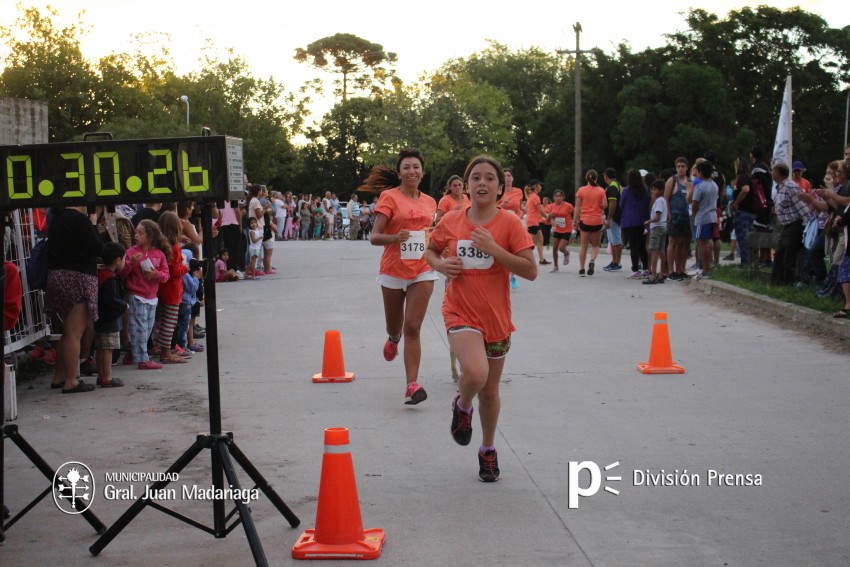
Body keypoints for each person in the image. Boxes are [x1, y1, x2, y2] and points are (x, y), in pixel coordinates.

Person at [425, 155, 537, 482]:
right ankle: (462, 406)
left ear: (501, 187)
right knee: (474, 373)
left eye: (490, 178)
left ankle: (487, 450)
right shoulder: (452, 221)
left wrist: (494, 248)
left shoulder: (510, 224)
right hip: (459, 310)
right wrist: (440, 265)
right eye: (475, 178)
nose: (482, 183)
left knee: (490, 391)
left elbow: (530, 270)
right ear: (466, 186)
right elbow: (431, 250)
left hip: (497, 319)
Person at [366, 148, 438, 405]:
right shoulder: (389, 197)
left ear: (422, 172)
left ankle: (411, 384)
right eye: (406, 167)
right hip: (393, 270)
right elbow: (374, 237)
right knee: (396, 327)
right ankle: (393, 339)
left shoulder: (431, 202)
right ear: (399, 173)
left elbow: (432, 235)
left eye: (416, 167)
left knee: (413, 326)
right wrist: (396, 239)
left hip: (422, 269)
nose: (412, 171)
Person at [46, 206, 103, 393]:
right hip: (78, 278)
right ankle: (71, 380)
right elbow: (97, 247)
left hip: (57, 276)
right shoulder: (79, 220)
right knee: (74, 333)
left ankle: (59, 376)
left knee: (66, 332)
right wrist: (93, 225)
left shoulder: (56, 218)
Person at [120, 220, 170, 369]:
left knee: (147, 328)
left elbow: (166, 275)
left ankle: (134, 353)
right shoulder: (131, 252)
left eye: (140, 233)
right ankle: (142, 359)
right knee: (139, 327)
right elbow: (122, 273)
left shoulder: (159, 254)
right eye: (136, 232)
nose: (136, 235)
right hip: (137, 295)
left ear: (150, 236)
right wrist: (131, 264)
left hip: (152, 297)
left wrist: (156, 274)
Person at [94, 242, 127, 387]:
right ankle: (107, 377)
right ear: (117, 260)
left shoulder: (101, 275)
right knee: (108, 348)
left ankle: (101, 375)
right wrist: (124, 305)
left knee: (101, 348)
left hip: (100, 317)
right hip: (110, 318)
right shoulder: (110, 279)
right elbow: (112, 300)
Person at [156, 211, 188, 364]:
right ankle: (166, 353)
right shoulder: (174, 247)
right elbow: (175, 271)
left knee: (162, 321)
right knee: (170, 322)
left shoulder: (160, 245)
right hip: (173, 289)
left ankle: (163, 350)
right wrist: (185, 267)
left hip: (161, 288)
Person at [770, 162, 808, 285]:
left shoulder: (790, 187)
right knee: (779, 254)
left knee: (789, 257)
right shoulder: (779, 187)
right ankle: (776, 282)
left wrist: (807, 223)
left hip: (794, 225)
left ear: (779, 173)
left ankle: (788, 282)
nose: (771, 173)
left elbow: (801, 206)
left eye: (773, 171)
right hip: (785, 226)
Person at [572, 170, 607, 276]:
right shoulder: (601, 190)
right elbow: (605, 205)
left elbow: (577, 207)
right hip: (597, 220)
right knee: (595, 246)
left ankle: (582, 269)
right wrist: (599, 206)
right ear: (596, 178)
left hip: (585, 220)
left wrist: (575, 220)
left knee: (583, 246)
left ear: (586, 178)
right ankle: (592, 260)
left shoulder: (581, 190)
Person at [664, 157, 692, 280]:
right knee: (673, 243)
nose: (681, 169)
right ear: (676, 168)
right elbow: (666, 198)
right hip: (675, 215)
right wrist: (668, 213)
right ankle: (671, 271)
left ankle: (681, 268)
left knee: (684, 244)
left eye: (683, 166)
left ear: (687, 167)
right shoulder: (672, 181)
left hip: (686, 216)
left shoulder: (690, 181)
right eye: (679, 166)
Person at [620, 169, 651, 278]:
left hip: (629, 222)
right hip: (643, 221)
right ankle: (646, 268)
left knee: (633, 247)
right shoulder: (646, 190)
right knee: (642, 246)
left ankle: (636, 269)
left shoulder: (626, 191)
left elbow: (621, 205)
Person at [691, 161, 720, 280]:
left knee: (702, 244)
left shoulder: (699, 186)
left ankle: (705, 269)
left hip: (702, 217)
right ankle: (709, 267)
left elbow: (694, 204)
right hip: (712, 216)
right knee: (708, 242)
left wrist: (694, 216)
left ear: (700, 172)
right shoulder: (714, 185)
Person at [498, 167, 524, 289]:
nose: (507, 178)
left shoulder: (519, 191)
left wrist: (523, 214)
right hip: (502, 222)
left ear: (512, 178)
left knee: (514, 249)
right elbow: (493, 207)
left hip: (516, 222)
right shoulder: (498, 191)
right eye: (505, 176)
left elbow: (519, 207)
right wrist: (503, 204)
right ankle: (502, 273)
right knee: (503, 248)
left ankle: (513, 275)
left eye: (509, 175)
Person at [729, 157, 757, 266]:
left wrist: (736, 203)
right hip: (750, 212)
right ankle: (750, 261)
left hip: (743, 212)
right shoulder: (749, 177)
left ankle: (745, 262)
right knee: (748, 238)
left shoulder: (742, 178)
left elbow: (745, 189)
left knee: (743, 238)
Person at [750, 146, 775, 267]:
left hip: (761, 204)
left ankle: (764, 259)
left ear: (752, 155)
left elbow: (758, 189)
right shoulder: (765, 167)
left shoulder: (757, 170)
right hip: (767, 202)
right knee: (765, 231)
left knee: (762, 231)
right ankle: (765, 259)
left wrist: (761, 203)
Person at [643, 180, 668, 284]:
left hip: (656, 228)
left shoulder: (658, 201)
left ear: (661, 190)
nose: (652, 191)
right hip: (663, 227)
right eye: (652, 189)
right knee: (661, 251)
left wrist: (648, 221)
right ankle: (661, 274)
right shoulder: (663, 200)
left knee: (653, 251)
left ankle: (653, 275)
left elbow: (657, 217)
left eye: (655, 189)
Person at [602, 168, 624, 271]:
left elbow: (613, 203)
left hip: (614, 217)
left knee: (616, 240)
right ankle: (614, 261)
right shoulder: (617, 184)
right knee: (612, 240)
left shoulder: (612, 187)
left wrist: (609, 218)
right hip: (615, 217)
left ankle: (617, 263)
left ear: (606, 176)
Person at [548, 189, 574, 272]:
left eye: (560, 196)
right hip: (558, 229)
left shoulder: (568, 206)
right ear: (553, 197)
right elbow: (549, 220)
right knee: (554, 248)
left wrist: (576, 222)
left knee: (561, 247)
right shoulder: (551, 206)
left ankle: (566, 253)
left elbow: (575, 212)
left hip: (567, 229)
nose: (558, 198)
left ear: (563, 197)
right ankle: (555, 266)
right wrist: (550, 216)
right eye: (556, 196)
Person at [524, 180, 549, 265]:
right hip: (533, 222)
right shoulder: (535, 197)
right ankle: (523, 258)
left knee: (540, 239)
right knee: (529, 243)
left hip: (533, 221)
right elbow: (540, 210)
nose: (541, 187)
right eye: (540, 185)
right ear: (536, 186)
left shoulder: (531, 196)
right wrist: (547, 217)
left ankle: (542, 259)